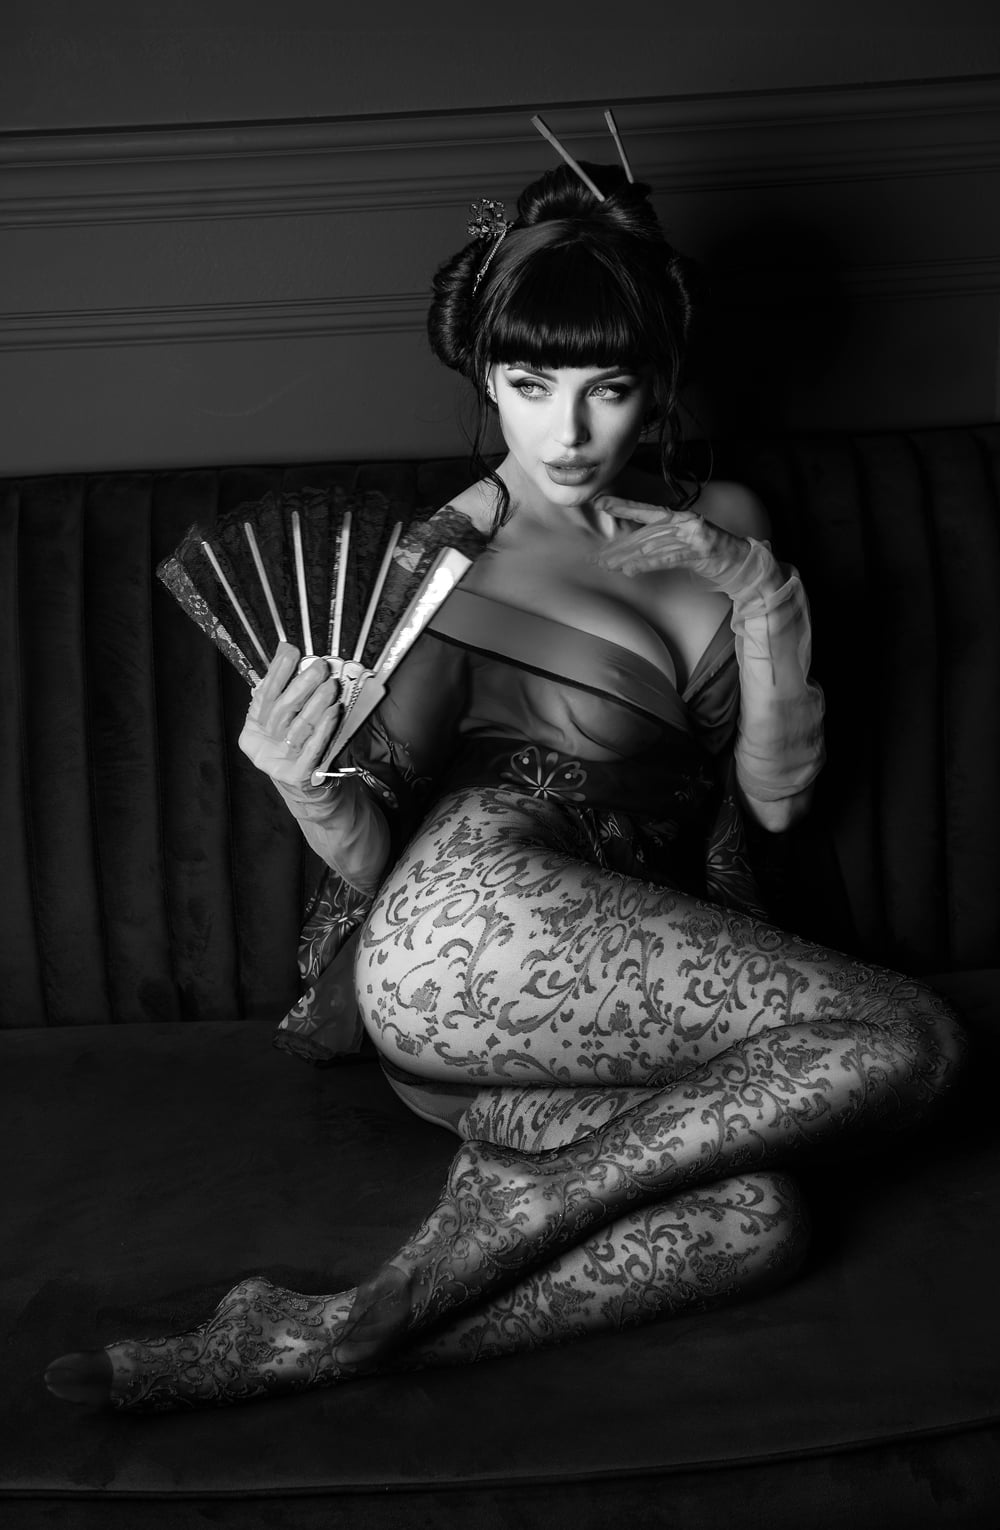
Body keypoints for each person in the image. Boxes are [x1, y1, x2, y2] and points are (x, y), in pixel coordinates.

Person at [45, 141, 965, 1413]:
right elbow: (376, 850)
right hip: (466, 930)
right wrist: (302, 782)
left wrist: (763, 596)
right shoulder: (442, 567)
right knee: (910, 1036)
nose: (568, 431)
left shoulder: (725, 525)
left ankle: (325, 1335)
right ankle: (516, 1208)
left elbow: (774, 802)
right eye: (529, 385)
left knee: (755, 1219)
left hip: (581, 1001)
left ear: (658, 386)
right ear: (485, 377)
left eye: (608, 389)